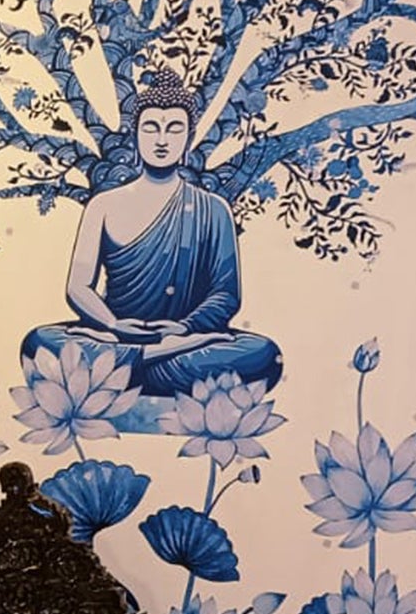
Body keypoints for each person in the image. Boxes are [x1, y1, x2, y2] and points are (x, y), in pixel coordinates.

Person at [21, 70, 283, 399]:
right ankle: (148, 357)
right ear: (135, 136)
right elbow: (78, 287)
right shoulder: (104, 205)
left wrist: (185, 328)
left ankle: (127, 367)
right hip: (118, 334)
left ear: (188, 139)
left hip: (179, 339)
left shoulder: (214, 209)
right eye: (151, 128)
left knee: (262, 355)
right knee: (39, 342)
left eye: (174, 129)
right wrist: (112, 325)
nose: (162, 140)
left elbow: (226, 295)